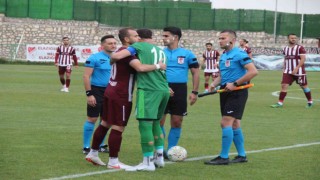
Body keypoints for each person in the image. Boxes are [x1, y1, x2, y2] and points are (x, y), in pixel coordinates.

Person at [85, 28, 166, 169]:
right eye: (135, 36)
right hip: (121, 94)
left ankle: (93, 153)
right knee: (118, 127)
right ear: (127, 39)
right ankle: (113, 161)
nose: (138, 38)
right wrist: (158, 65)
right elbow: (140, 68)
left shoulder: (121, 51)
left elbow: (114, 59)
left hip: (110, 90)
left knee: (105, 123)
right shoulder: (129, 54)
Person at [111, 28, 170, 172]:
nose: (136, 39)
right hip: (163, 89)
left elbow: (118, 56)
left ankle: (147, 162)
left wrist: (111, 57)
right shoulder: (160, 50)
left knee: (145, 124)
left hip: (148, 91)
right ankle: (159, 158)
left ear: (140, 38)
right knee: (156, 123)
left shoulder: (138, 46)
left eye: (137, 36)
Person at [204, 30, 258, 165]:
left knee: (225, 122)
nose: (220, 40)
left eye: (223, 38)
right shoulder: (223, 55)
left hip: (238, 92)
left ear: (232, 40)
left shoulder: (239, 53)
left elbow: (253, 71)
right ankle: (242, 155)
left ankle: (223, 157)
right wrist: (214, 84)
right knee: (234, 124)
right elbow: (223, 75)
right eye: (219, 38)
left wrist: (235, 84)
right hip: (225, 91)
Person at [160, 26, 200, 157]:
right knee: (159, 120)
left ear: (175, 37)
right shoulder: (160, 53)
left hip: (180, 89)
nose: (163, 38)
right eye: (163, 36)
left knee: (177, 121)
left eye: (166, 36)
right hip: (161, 88)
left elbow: (195, 73)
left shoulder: (188, 54)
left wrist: (194, 92)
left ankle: (171, 151)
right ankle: (160, 150)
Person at [82, 35, 117, 155]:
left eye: (114, 43)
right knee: (92, 118)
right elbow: (86, 76)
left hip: (111, 91)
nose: (113, 45)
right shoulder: (94, 58)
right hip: (96, 91)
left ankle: (100, 145)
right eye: (110, 43)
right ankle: (86, 146)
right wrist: (89, 94)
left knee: (106, 119)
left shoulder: (118, 58)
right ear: (102, 46)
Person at [270, 33, 313, 108]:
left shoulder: (300, 48)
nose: (293, 39)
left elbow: (303, 59)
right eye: (292, 38)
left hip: (299, 71)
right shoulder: (285, 48)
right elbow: (285, 59)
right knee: (284, 85)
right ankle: (280, 103)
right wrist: (284, 68)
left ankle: (310, 101)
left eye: (295, 38)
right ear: (288, 39)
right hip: (288, 71)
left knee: (304, 86)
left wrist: (296, 68)